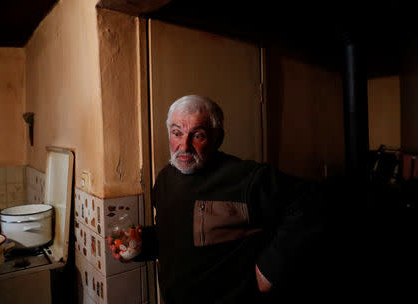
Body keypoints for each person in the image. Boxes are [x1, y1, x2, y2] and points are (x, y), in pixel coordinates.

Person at [109, 95, 335, 303]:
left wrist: (270, 270)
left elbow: (312, 202)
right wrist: (140, 245)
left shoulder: (245, 177)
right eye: (177, 133)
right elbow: (177, 236)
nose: (184, 146)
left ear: (217, 138)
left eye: (198, 135)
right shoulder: (166, 177)